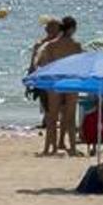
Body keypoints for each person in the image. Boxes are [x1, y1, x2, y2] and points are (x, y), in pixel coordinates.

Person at [34, 16, 83, 155]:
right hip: (71, 82)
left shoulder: (51, 45)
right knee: (70, 117)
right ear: (72, 29)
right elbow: (80, 66)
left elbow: (45, 65)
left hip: (55, 82)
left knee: (52, 118)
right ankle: (72, 148)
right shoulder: (76, 46)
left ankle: (52, 148)